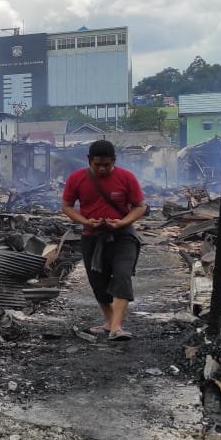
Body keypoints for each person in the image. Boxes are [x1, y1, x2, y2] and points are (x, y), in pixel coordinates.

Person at [60, 139, 147, 341]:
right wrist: (85, 221)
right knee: (98, 283)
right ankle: (110, 322)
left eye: (107, 164)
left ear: (114, 160)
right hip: (92, 237)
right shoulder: (77, 178)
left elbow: (140, 206)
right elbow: (66, 205)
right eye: (97, 164)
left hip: (123, 236)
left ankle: (116, 327)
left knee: (122, 276)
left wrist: (123, 222)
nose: (102, 169)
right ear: (89, 160)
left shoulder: (126, 177)